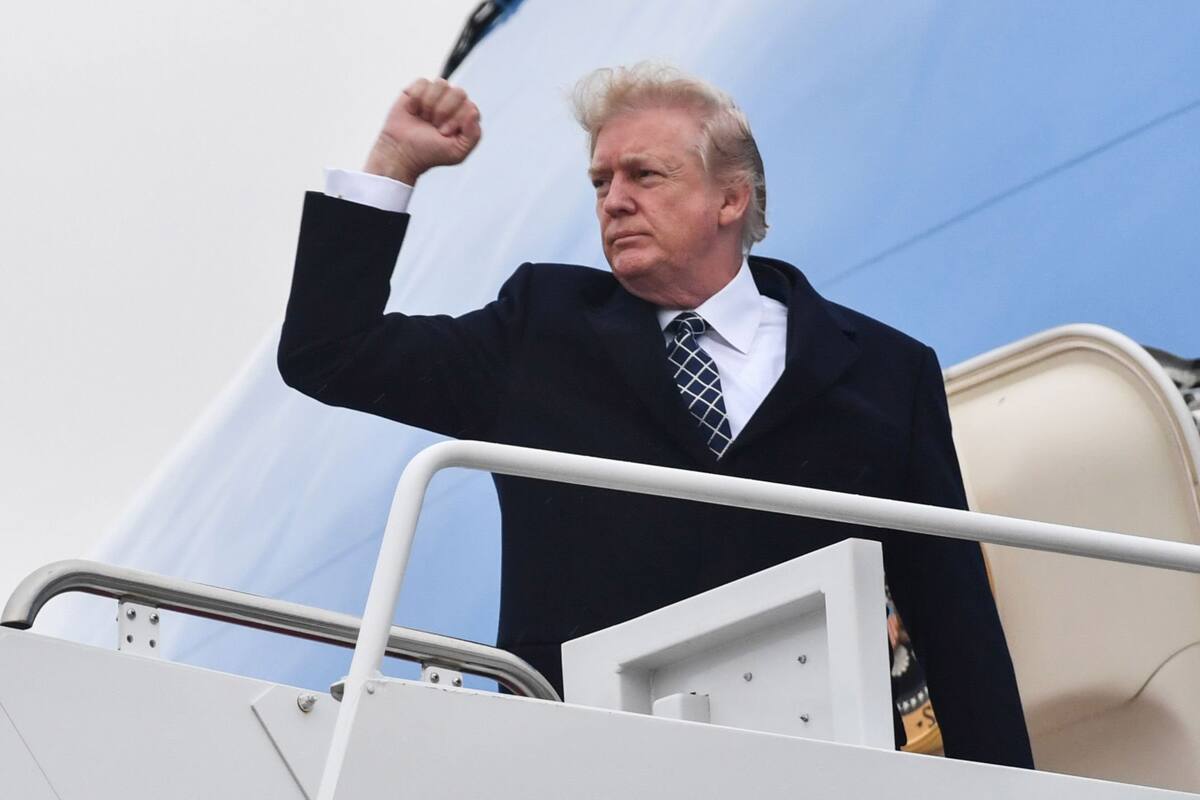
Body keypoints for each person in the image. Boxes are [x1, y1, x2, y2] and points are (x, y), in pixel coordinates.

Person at [278, 64, 1034, 768]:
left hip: (826, 766)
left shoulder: (884, 369)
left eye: (644, 174)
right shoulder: (538, 331)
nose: (613, 200)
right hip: (589, 767)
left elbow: (956, 621)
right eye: (601, 181)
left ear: (730, 199)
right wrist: (393, 163)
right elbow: (328, 352)